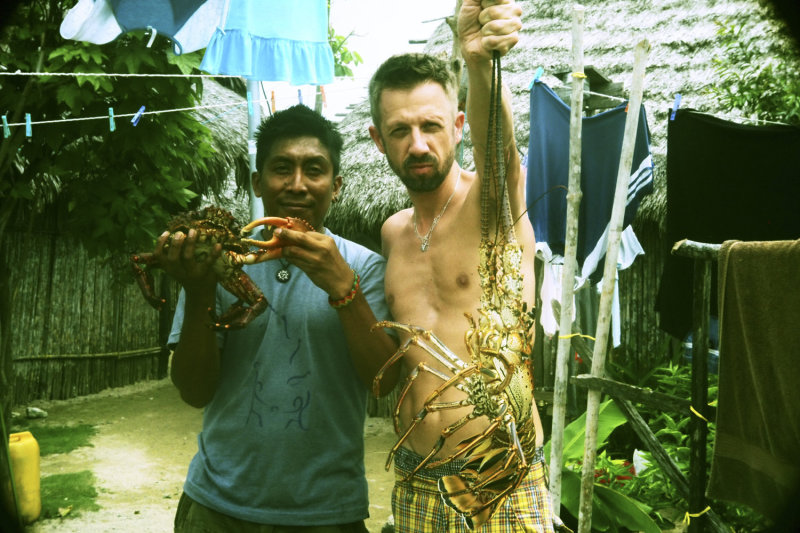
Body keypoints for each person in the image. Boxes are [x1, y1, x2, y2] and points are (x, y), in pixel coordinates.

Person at [159, 104, 399, 532]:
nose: (298, 185)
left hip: (329, 513)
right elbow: (194, 391)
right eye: (282, 168)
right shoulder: (221, 260)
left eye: (315, 170)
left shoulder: (363, 267)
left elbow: (383, 382)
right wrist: (198, 292)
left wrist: (345, 291)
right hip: (218, 508)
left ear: (337, 185)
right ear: (257, 181)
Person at [368, 1, 557, 531]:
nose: (418, 143)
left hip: (502, 484)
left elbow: (501, 150)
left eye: (431, 125)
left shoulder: (491, 204)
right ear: (378, 140)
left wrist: (476, 61)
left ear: (456, 125)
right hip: (415, 481)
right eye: (400, 131)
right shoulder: (392, 233)